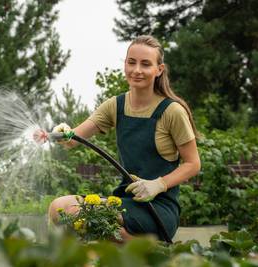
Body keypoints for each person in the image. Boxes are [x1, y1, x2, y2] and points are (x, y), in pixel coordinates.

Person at [47, 35, 201, 241]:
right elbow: (73, 140)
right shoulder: (115, 105)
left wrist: (158, 184)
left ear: (159, 70)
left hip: (158, 209)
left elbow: (193, 164)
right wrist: (59, 132)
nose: (136, 70)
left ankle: (146, 251)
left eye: (145, 64)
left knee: (88, 218)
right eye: (131, 62)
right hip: (124, 201)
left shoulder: (172, 111)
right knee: (58, 208)